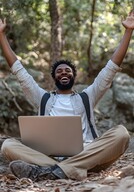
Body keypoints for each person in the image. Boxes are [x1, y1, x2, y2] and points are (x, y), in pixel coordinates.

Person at [0, 11, 134, 181]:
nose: (64, 73)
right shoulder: (42, 98)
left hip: (88, 156)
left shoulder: (87, 96)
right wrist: (1, 35)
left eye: (67, 71)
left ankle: (51, 172)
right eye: (59, 71)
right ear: (55, 78)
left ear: (73, 76)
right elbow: (19, 71)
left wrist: (128, 31)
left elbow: (112, 67)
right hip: (50, 157)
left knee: (121, 134)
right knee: (8, 145)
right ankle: (63, 170)